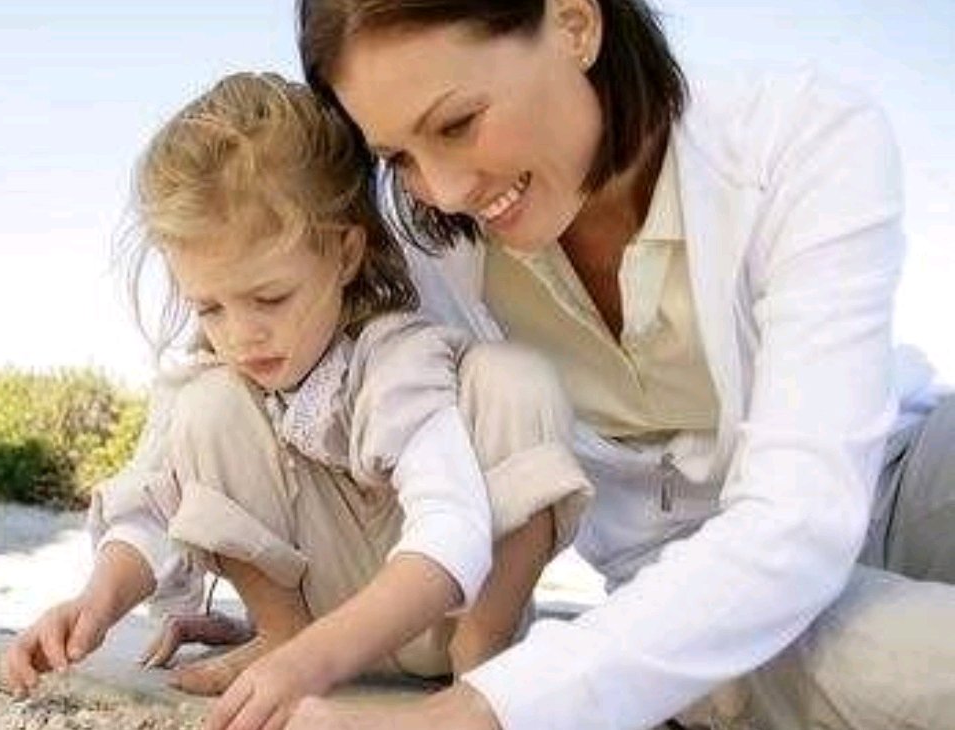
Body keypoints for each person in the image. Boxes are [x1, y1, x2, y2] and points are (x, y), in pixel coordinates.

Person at [282, 0, 955, 729]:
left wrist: (474, 715)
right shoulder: (431, 257)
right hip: (706, 588)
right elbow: (276, 355)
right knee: (891, 662)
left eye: (457, 123)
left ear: (575, 25)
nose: (444, 191)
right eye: (399, 158)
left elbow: (802, 513)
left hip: (902, 482)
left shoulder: (799, 140)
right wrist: (278, 617)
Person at [0, 72, 592, 730]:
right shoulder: (219, 373)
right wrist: (96, 603)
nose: (241, 334)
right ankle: (279, 634)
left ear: (345, 252)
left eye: (270, 298)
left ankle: (480, 662)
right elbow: (151, 507)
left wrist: (315, 661)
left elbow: (451, 532)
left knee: (516, 380)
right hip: (311, 633)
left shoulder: (394, 356)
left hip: (445, 614)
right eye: (210, 307)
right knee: (205, 404)